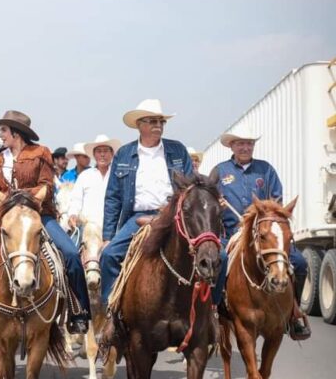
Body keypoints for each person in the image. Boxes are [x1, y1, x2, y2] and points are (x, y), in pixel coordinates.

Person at [0, 110, 91, 338]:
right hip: (2, 216)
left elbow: (47, 187)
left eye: (3, 130)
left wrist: (18, 197)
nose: (1, 135)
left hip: (38, 215)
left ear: (16, 133)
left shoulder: (41, 153)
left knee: (71, 254)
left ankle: (78, 312)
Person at [211, 126, 311, 339]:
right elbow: (209, 203)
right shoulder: (220, 171)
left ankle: (294, 313)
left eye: (249, 143)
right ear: (232, 146)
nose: (245, 147)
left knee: (300, 263)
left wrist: (265, 217)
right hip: (231, 234)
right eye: (240, 143)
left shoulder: (266, 170)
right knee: (218, 262)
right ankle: (214, 310)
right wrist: (216, 202)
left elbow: (277, 201)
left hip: (264, 235)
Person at [99, 99, 193, 309]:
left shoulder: (177, 150)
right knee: (109, 255)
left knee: (214, 256)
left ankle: (210, 311)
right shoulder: (124, 153)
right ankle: (111, 312)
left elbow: (190, 188)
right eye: (151, 121)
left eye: (160, 121)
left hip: (172, 215)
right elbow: (113, 197)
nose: (158, 125)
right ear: (139, 125)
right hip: (137, 217)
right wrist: (107, 236)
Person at [68, 135, 121, 229]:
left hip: (113, 227)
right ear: (94, 154)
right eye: (99, 151)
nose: (102, 154)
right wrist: (73, 214)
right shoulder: (85, 176)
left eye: (105, 151)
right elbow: (76, 199)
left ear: (112, 154)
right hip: (88, 227)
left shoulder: (119, 175)